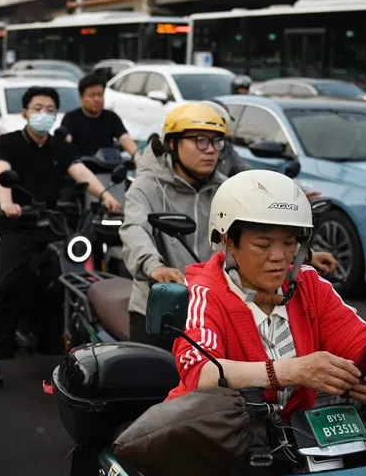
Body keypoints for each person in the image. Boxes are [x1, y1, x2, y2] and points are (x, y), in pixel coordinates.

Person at [168, 170, 366, 407]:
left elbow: (365, 343)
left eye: (289, 243)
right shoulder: (205, 291)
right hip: (221, 435)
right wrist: (292, 371)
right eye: (263, 245)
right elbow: (200, 372)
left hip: (295, 435)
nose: (279, 257)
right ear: (229, 241)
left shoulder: (309, 285)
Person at [120, 104, 336, 344]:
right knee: (152, 376)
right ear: (172, 144)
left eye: (217, 142)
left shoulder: (227, 190)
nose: (211, 150)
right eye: (200, 141)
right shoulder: (147, 186)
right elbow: (134, 229)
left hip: (216, 305)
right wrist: (153, 267)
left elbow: (260, 232)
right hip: (162, 306)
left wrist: (304, 255)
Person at [0, 86, 122, 359]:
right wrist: (7, 204)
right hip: (19, 225)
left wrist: (106, 195)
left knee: (64, 283)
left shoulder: (62, 146)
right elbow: (2, 172)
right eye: (38, 108)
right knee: (5, 288)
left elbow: (80, 172)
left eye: (50, 110)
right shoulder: (7, 143)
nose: (43, 114)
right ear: (25, 112)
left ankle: (53, 347)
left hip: (55, 227)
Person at [61, 74, 140, 159]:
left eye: (100, 95)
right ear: (81, 97)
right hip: (80, 167)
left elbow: (124, 138)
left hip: (107, 166)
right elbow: (65, 141)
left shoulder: (111, 117)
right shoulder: (70, 118)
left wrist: (136, 155)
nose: (97, 99)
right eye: (92, 96)